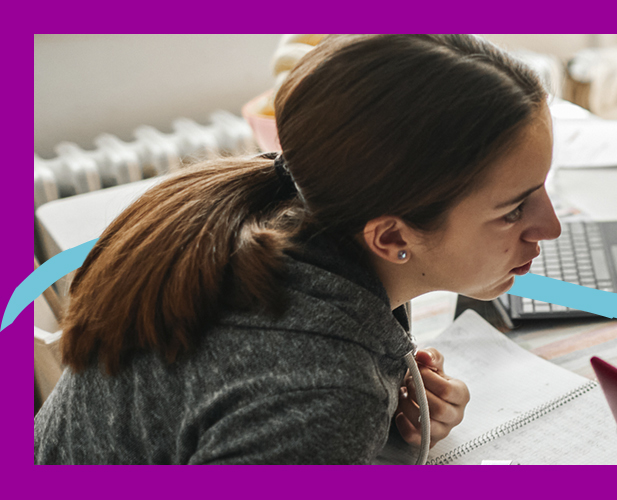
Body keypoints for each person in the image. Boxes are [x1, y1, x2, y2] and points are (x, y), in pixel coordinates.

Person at [34, 34, 562, 464]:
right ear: (393, 237)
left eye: (542, 187)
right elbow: (299, 391)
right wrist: (345, 412)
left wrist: (378, 405)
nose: (551, 226)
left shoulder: (295, 212)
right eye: (513, 209)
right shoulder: (323, 394)